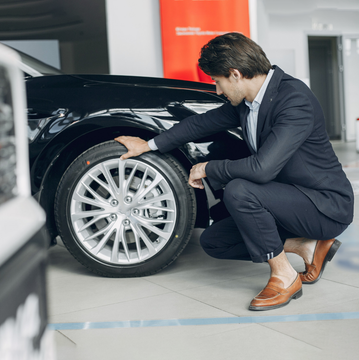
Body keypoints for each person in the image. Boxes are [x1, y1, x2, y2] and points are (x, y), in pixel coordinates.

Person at [114, 33, 354, 311]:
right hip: (287, 200)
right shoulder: (247, 103)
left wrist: (208, 168)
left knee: (240, 189)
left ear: (236, 74)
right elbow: (200, 124)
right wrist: (149, 144)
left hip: (325, 204)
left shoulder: (294, 99)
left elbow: (263, 169)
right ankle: (306, 247)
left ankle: (285, 275)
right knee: (215, 242)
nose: (217, 90)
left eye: (217, 81)